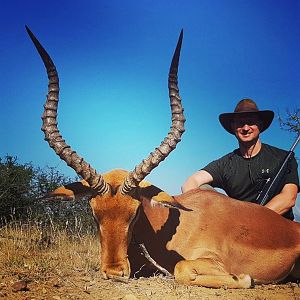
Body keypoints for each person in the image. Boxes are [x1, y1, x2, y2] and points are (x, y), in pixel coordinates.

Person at [181, 99, 299, 220]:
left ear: (260, 125)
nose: (246, 128)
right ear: (233, 127)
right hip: (238, 227)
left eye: (251, 122)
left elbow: (288, 198)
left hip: (279, 227)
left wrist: (251, 220)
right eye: (240, 123)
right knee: (202, 188)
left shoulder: (283, 157)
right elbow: (191, 182)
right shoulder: (226, 164)